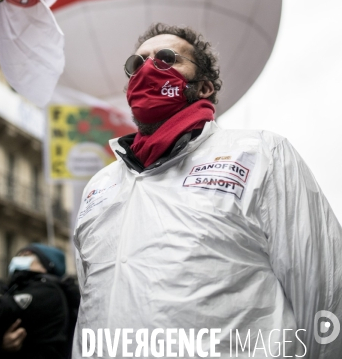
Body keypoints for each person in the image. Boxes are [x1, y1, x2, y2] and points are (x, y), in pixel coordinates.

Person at [72, 23, 342, 359]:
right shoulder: (100, 187)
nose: (148, 70)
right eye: (136, 65)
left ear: (204, 87)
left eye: (167, 58)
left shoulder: (260, 154)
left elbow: (326, 288)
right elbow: (90, 308)